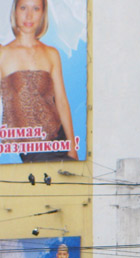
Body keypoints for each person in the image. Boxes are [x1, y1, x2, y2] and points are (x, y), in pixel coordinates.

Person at [0, 0, 78, 161]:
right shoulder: (3, 54)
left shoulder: (51, 53)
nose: (29, 15)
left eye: (35, 8)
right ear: (15, 11)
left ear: (43, 13)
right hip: (32, 145)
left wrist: (72, 149)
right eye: (23, 8)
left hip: (59, 140)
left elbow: (62, 102)